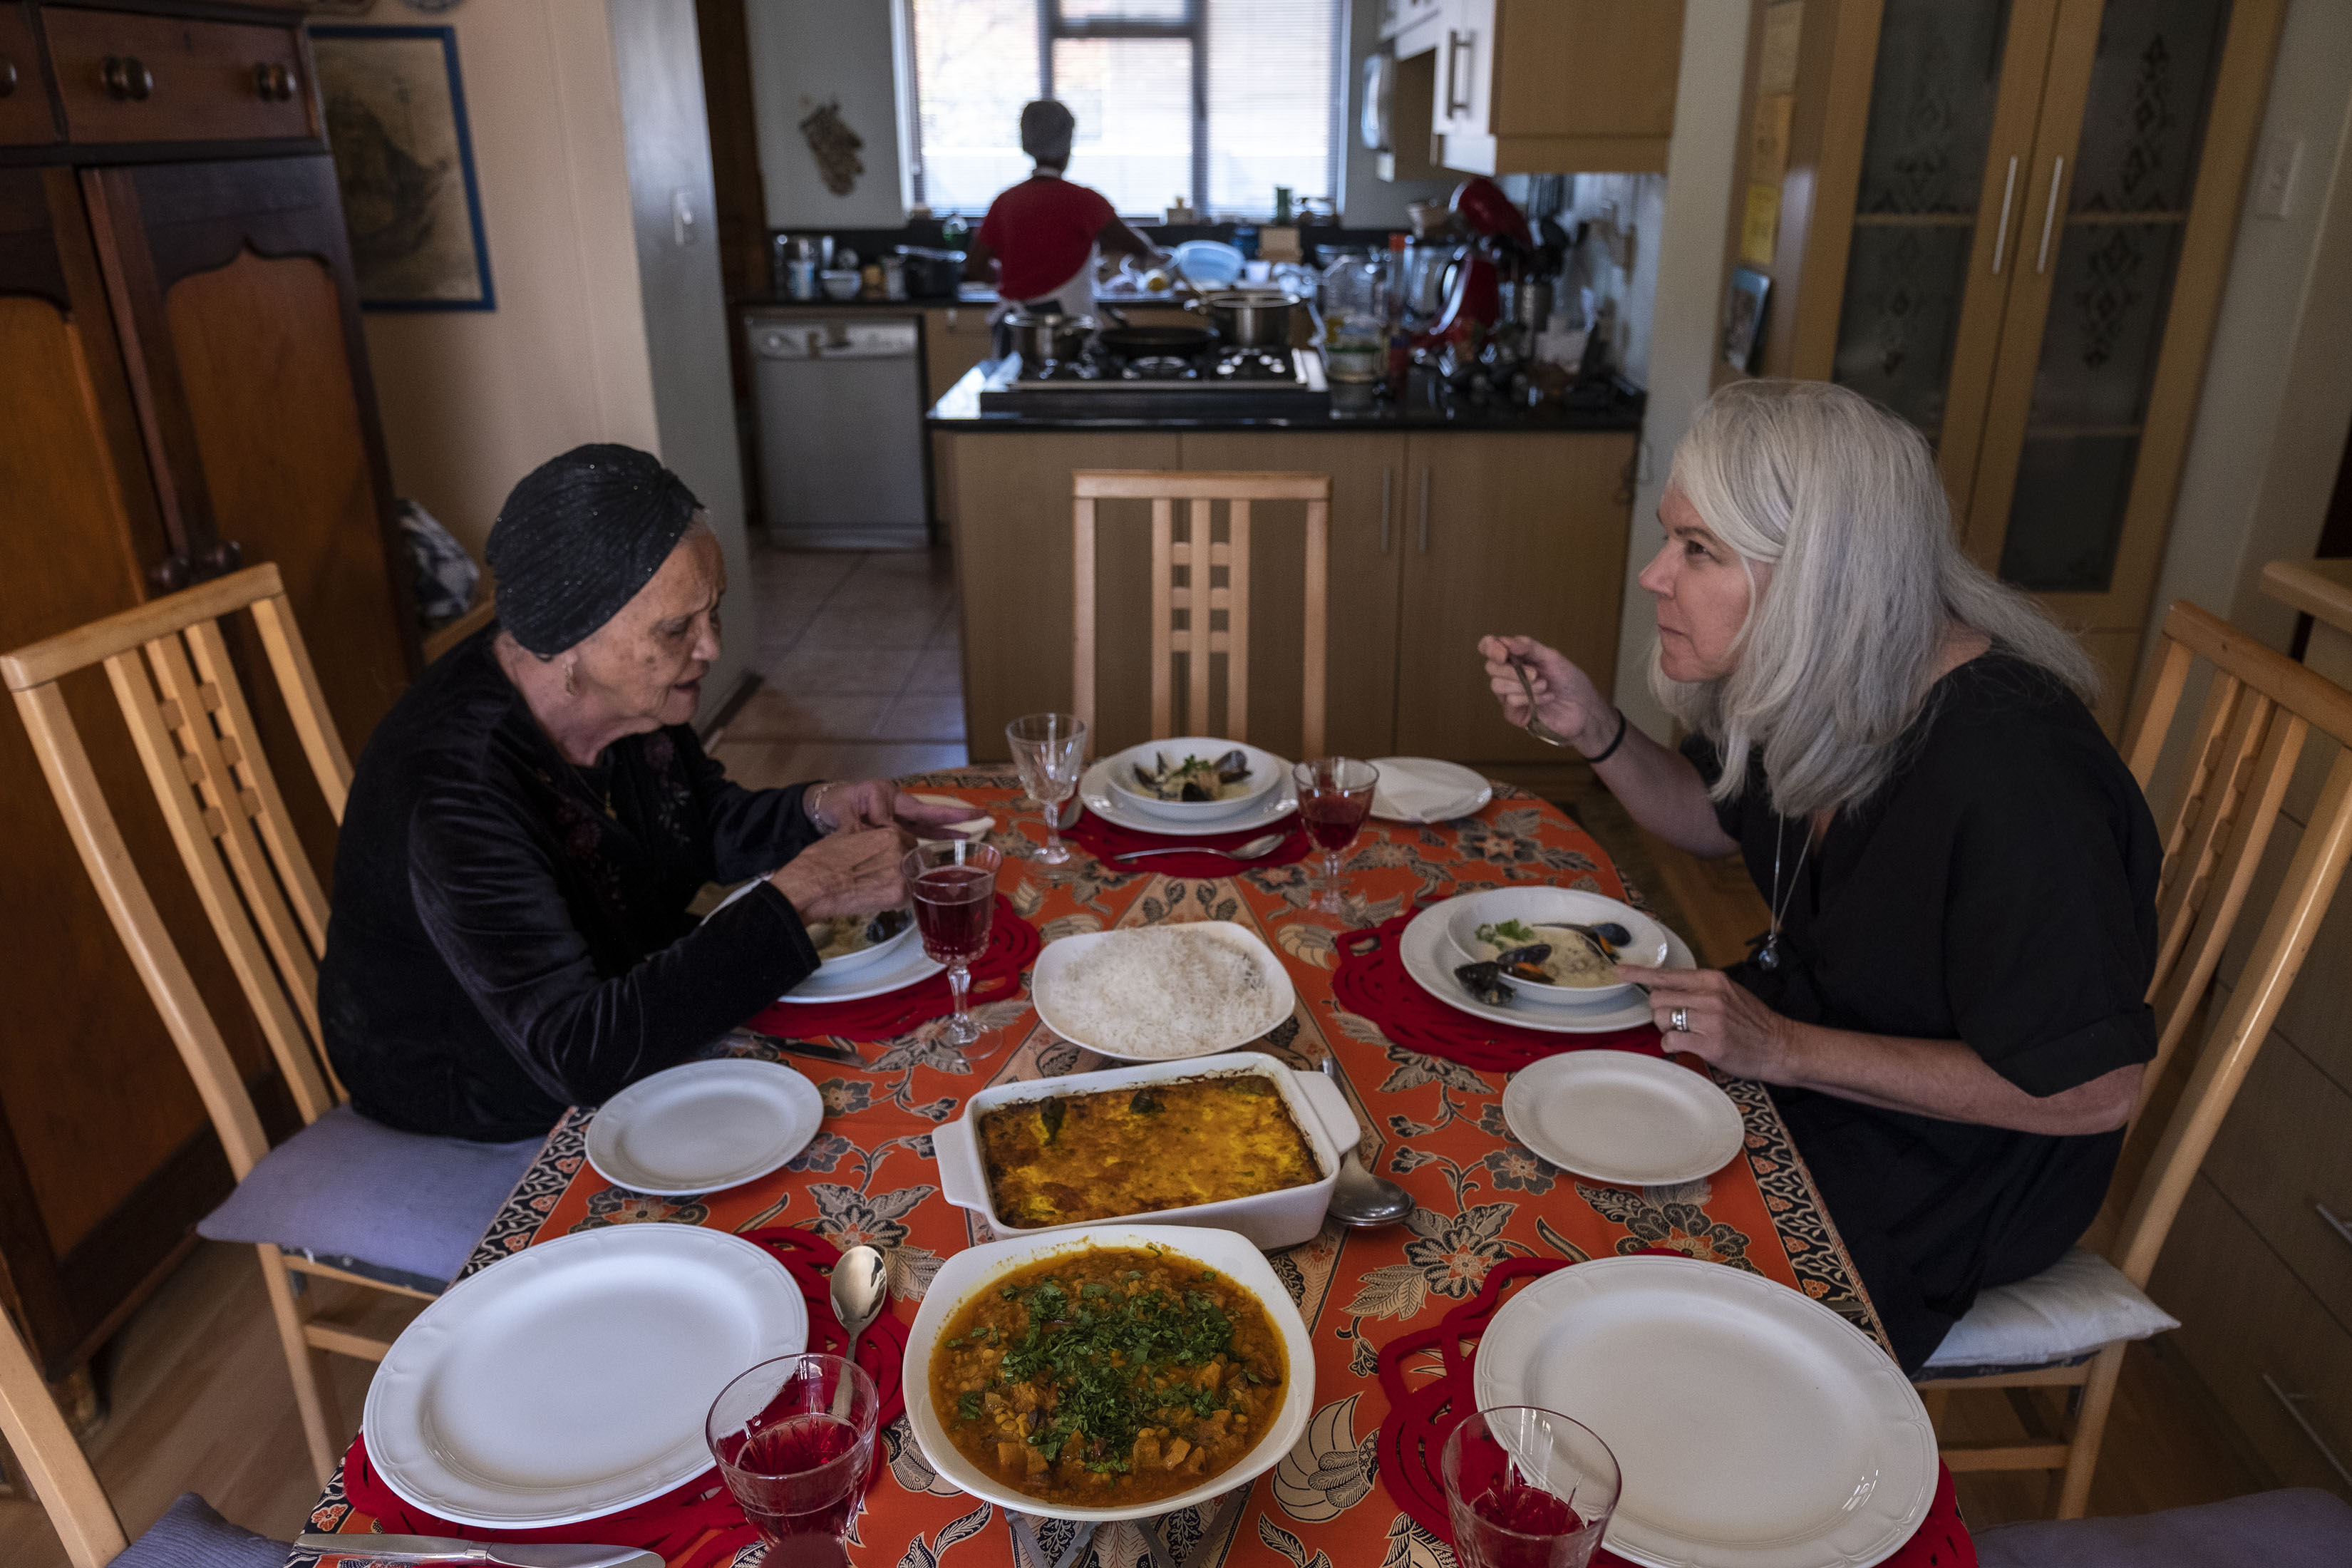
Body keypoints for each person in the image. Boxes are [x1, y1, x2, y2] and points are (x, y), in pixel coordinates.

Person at [1480, 380, 2160, 1372]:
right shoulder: (1839, 684)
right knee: (1538, 1137)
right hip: (1821, 1082)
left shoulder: (2018, 778)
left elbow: (2095, 1089)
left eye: (1697, 550)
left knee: (1619, 1306)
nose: (1654, 576)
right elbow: (1710, 824)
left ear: (1818, 574)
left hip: (1954, 1169)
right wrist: (1598, 731)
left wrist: (1787, 1049)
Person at [319, 445, 973, 1142]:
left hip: (625, 997)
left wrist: (817, 810)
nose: (711, 647)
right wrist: (801, 895)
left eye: (713, 612)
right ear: (569, 639)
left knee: (897, 1061)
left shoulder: (628, 698)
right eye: (676, 628)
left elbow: (695, 820)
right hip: (483, 1080)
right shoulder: (453, 790)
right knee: (833, 1115)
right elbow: (578, 1055)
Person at [963, 99, 1162, 320]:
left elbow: (975, 266)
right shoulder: (1085, 202)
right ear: (1066, 146)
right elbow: (1138, 247)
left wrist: (1012, 278)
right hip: (1069, 333)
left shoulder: (1004, 203)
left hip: (1017, 331)